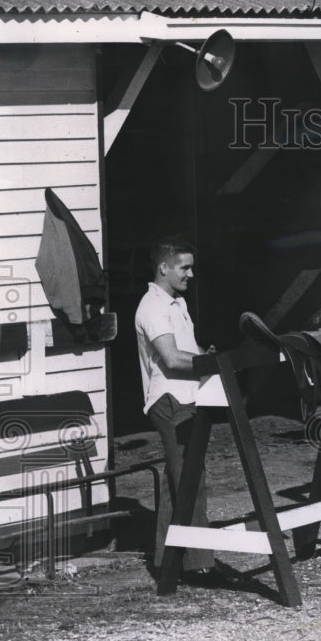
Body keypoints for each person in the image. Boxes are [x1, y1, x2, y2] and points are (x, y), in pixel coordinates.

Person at [134, 237, 222, 585]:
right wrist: (212, 363)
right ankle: (200, 564)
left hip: (187, 394)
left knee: (179, 483)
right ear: (164, 268)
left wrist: (205, 355)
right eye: (184, 267)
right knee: (190, 481)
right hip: (169, 398)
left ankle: (166, 562)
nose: (191, 273)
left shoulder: (176, 303)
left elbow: (190, 350)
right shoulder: (152, 307)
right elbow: (171, 358)